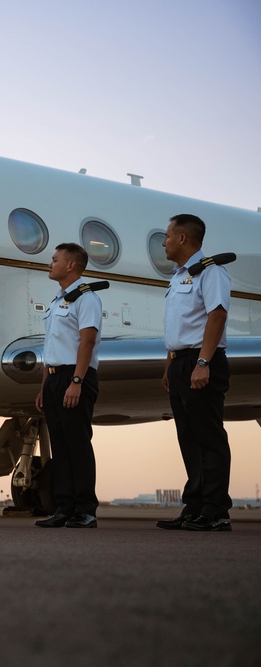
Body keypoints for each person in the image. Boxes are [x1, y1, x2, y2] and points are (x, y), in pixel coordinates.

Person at [158, 214, 233, 532]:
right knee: (188, 438)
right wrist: (169, 366)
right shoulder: (179, 277)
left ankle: (216, 511)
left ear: (183, 239)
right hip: (180, 364)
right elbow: (177, 327)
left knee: (208, 437)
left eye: (168, 235)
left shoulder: (211, 271)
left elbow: (217, 316)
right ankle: (195, 506)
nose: (164, 241)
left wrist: (202, 363)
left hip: (203, 362)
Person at [34, 243, 102, 529]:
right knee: (61, 447)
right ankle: (64, 507)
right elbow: (53, 347)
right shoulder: (57, 301)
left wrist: (77, 380)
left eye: (55, 260)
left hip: (75, 377)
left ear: (71, 265)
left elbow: (87, 341)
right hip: (54, 378)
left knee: (77, 444)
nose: (50, 264)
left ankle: (85, 509)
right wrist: (43, 386)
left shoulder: (86, 298)